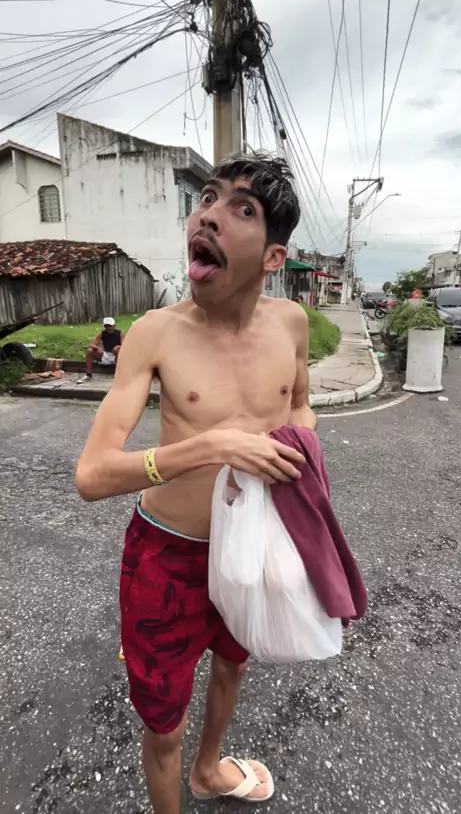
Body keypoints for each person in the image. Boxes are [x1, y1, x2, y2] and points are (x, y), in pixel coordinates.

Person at [76, 152, 317, 813]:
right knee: (163, 725)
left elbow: (300, 403)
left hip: (253, 543)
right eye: (207, 198)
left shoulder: (292, 325)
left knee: (234, 663)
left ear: (272, 257)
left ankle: (209, 769)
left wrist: (302, 449)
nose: (208, 214)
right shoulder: (155, 334)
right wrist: (205, 448)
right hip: (166, 555)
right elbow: (92, 475)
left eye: (241, 209)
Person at [80, 317, 124, 381]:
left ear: (114, 326)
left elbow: (125, 346)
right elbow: (92, 344)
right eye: (106, 326)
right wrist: (96, 348)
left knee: (118, 349)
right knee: (90, 351)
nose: (108, 328)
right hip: (105, 355)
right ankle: (88, 374)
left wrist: (118, 347)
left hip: (116, 356)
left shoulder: (120, 333)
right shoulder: (101, 333)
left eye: (110, 326)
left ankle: (119, 374)